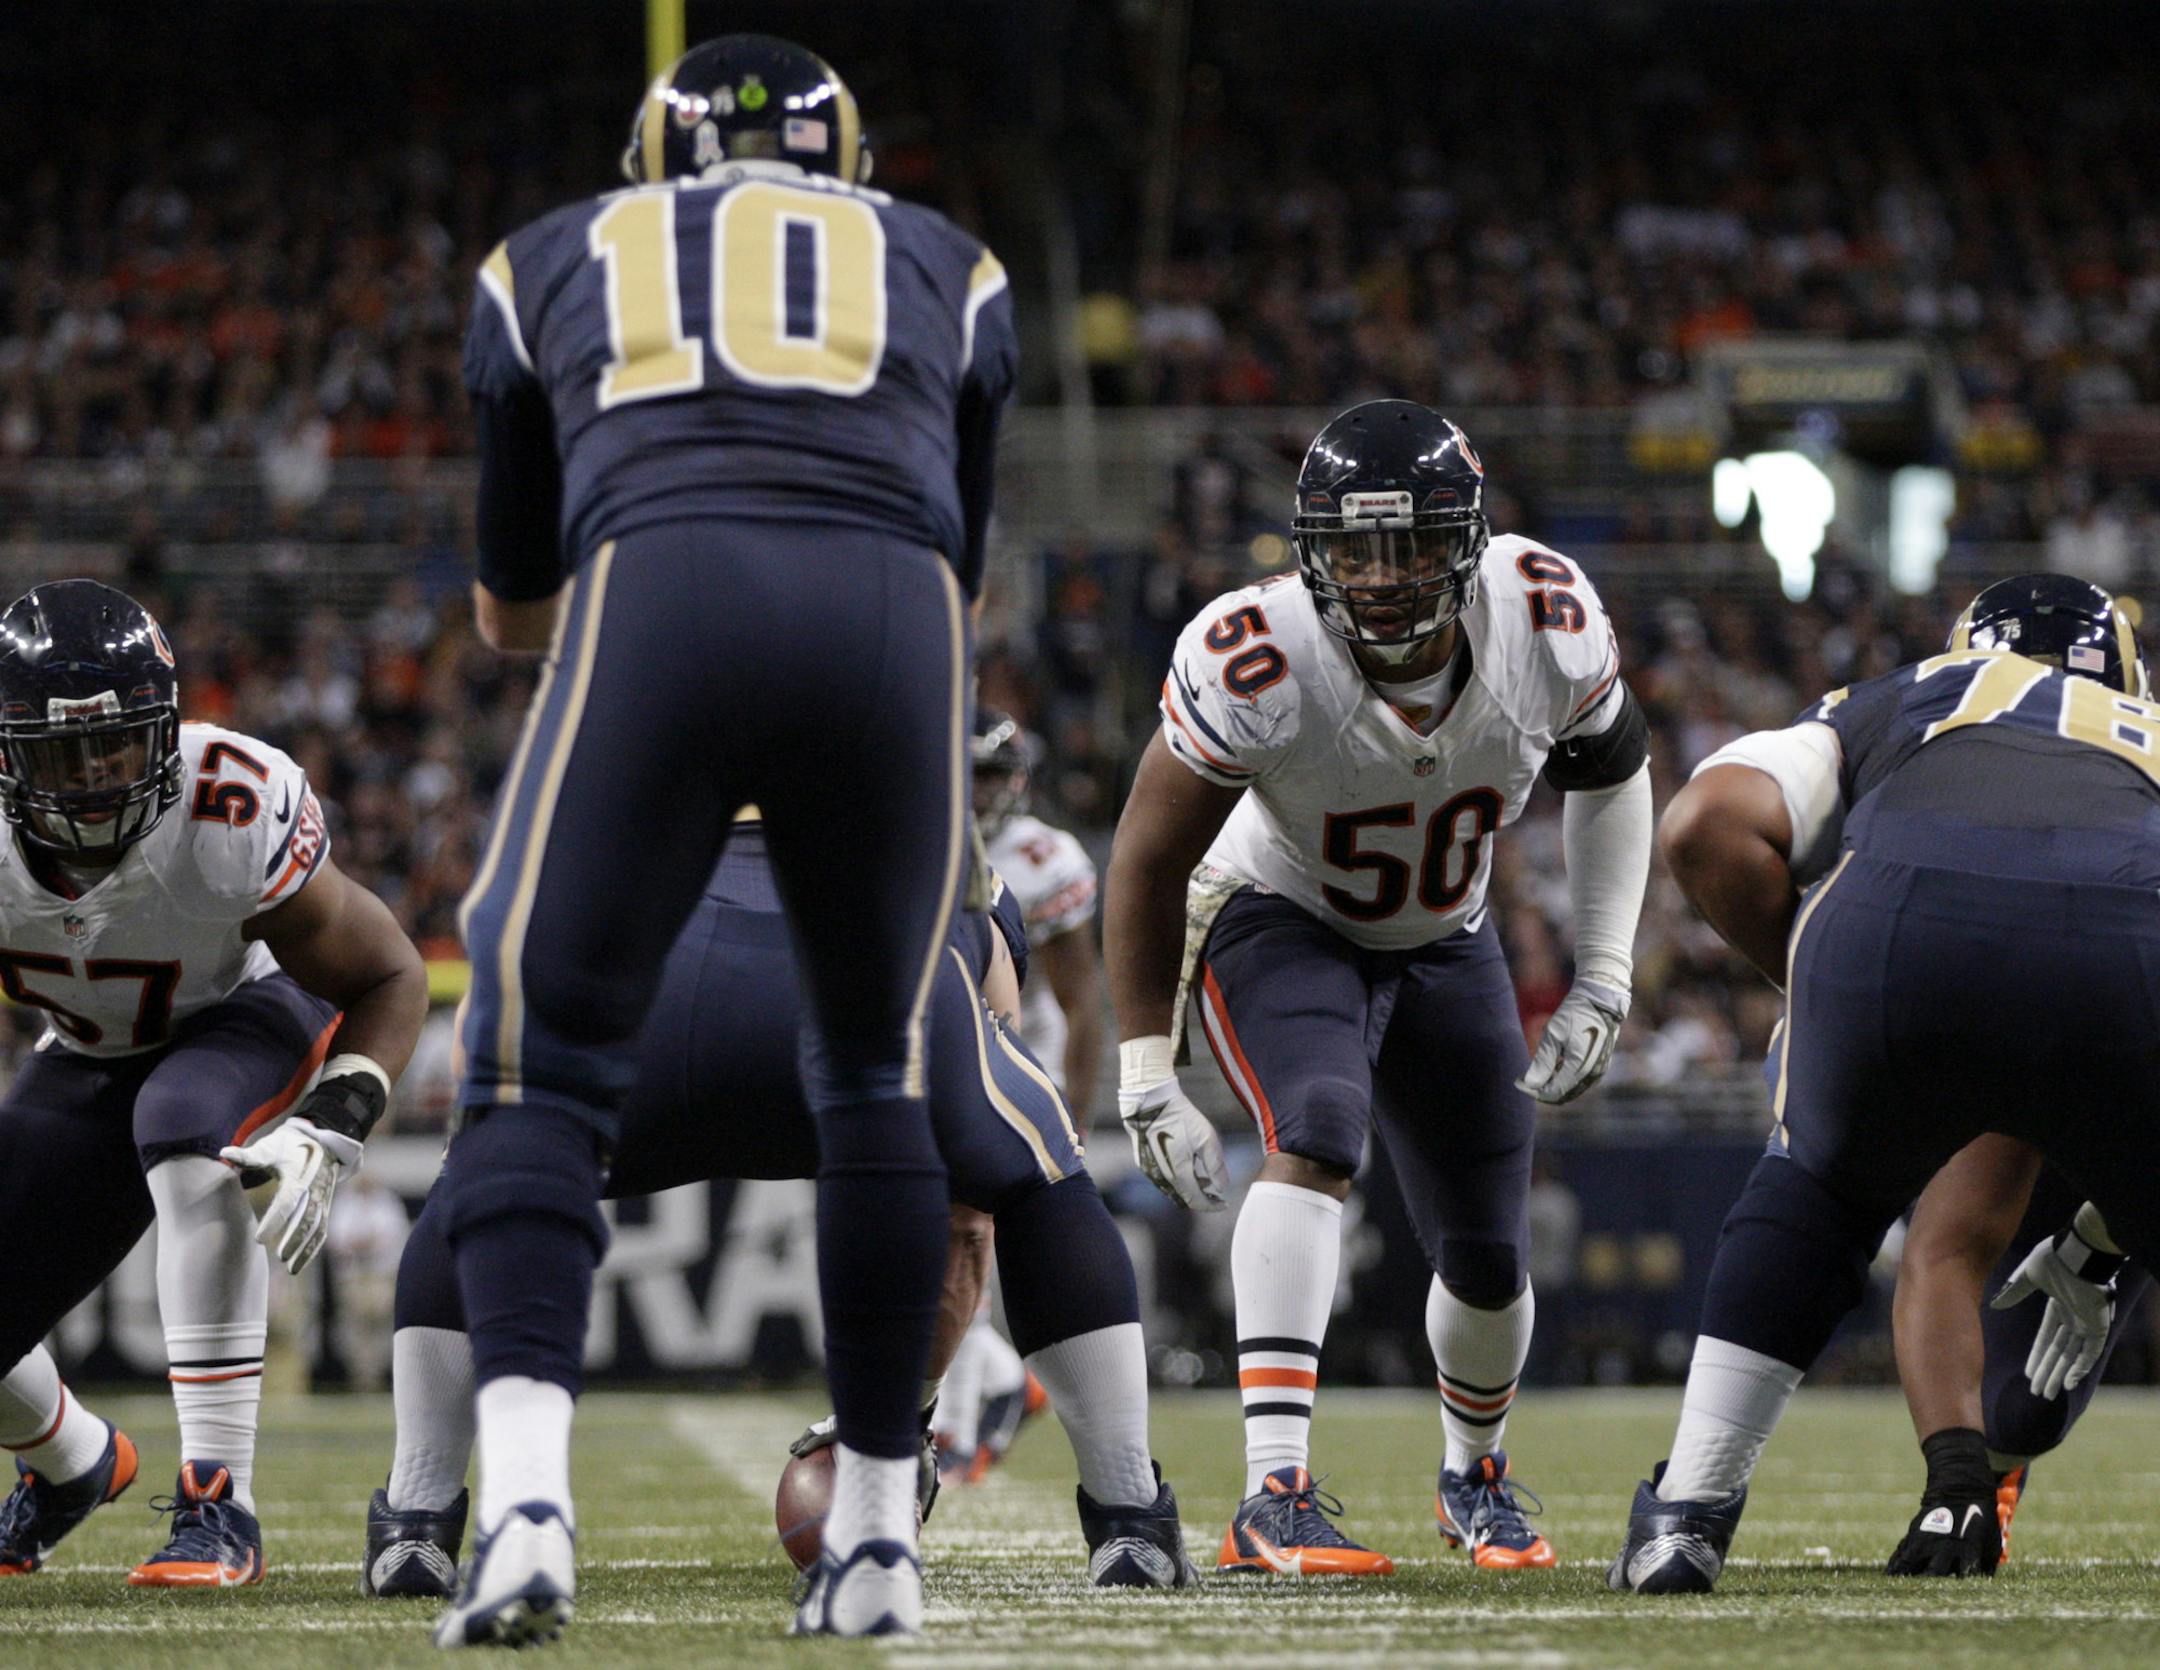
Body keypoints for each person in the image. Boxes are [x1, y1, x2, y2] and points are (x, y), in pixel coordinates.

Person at [442, 32, 1016, 1643]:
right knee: (875, 1072)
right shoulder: (954, 265)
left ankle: (528, 1512)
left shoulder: (548, 255)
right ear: (852, 164)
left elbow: (509, 611)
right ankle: (885, 1541)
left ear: (651, 165)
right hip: (895, 622)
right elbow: (955, 557)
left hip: (666, 587)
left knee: (531, 1062)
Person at [362, 820, 1194, 1599]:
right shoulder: (932, 825)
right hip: (869, 1012)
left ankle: (416, 1518)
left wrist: (503, 1146)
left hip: (647, 1013)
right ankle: (1129, 1521)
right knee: (1040, 1172)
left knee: (473, 1184)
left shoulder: (611, 805)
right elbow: (970, 1202)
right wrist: (906, 1416)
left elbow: (488, 1021)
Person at [1102, 400, 1652, 1575]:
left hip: (1448, 933)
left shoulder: (1542, 618)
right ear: (1313, 550)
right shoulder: (1260, 650)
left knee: (1490, 1240)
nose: (1384, 575)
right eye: (1355, 548)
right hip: (1281, 913)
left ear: (1468, 534)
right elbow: (1147, 854)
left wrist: (1602, 974)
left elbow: (1615, 773)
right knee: (1320, 1127)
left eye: (1409, 544)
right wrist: (1144, 1066)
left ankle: (1476, 1476)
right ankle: (1273, 1492)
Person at [1613, 573, 2160, 1594]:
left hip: (1899, 931)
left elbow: (1703, 821)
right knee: (2020, 1348)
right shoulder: (2143, 729)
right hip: (2129, 949)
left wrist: (1817, 990)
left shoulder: (1913, 694)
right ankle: (1978, 1465)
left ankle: (1687, 1509)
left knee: (1818, 1188)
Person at [0, 580, 426, 1586]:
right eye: (62, 752)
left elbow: (389, 971)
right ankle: (73, 1463)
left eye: (117, 744)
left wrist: (342, 1110)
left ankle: (218, 1501)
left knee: (188, 1130)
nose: (96, 777)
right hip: (82, 1053)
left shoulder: (227, 795)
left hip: (243, 1012)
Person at [936, 708, 1105, 1482]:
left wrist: (1073, 1102)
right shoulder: (909, 827)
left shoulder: (1042, 855)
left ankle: (965, 1415)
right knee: (932, 1239)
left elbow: (1080, 995)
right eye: (965, 770)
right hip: (929, 1055)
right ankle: (995, 1386)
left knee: (961, 1235)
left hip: (1008, 1061)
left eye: (989, 772)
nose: (978, 790)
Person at [1888, 1134, 2151, 1575]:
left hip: (2125, 1190)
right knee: (2017, 1415)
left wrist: (2091, 1251)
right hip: (2015, 1170)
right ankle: (1987, 1481)